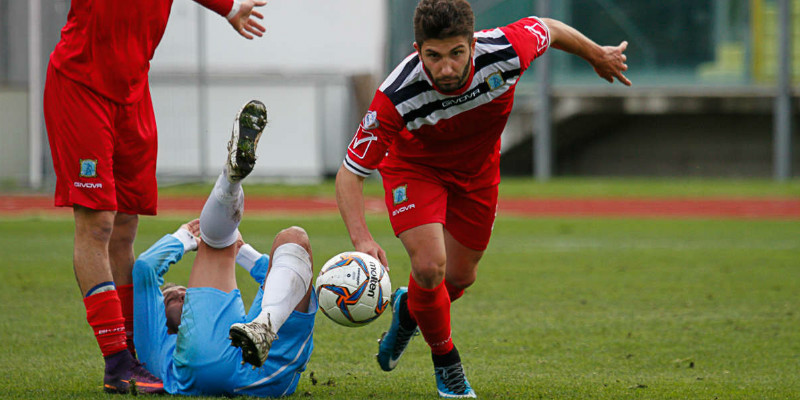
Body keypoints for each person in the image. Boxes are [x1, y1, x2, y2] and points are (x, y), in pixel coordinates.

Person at [335, 0, 631, 397]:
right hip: (416, 170)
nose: (446, 68)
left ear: (473, 44)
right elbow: (350, 172)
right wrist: (362, 239)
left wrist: (597, 55)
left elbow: (550, 27)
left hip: (477, 173)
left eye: (456, 53)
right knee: (429, 267)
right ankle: (448, 367)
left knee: (458, 278)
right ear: (417, 50)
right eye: (433, 56)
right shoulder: (396, 94)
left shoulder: (507, 49)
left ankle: (408, 311)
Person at [43, 0, 268, 394]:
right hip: (82, 86)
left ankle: (133, 351)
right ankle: (117, 360)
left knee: (125, 227)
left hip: (133, 93)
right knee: (98, 224)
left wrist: (228, 8)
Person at [132, 100, 317, 396]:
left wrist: (236, 250)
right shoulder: (155, 341)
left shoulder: (211, 323)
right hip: (242, 365)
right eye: (174, 298)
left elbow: (285, 281)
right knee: (224, 242)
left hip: (245, 345)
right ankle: (228, 184)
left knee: (293, 238)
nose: (182, 293)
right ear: (163, 318)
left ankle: (231, 182)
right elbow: (145, 268)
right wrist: (183, 237)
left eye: (181, 292)